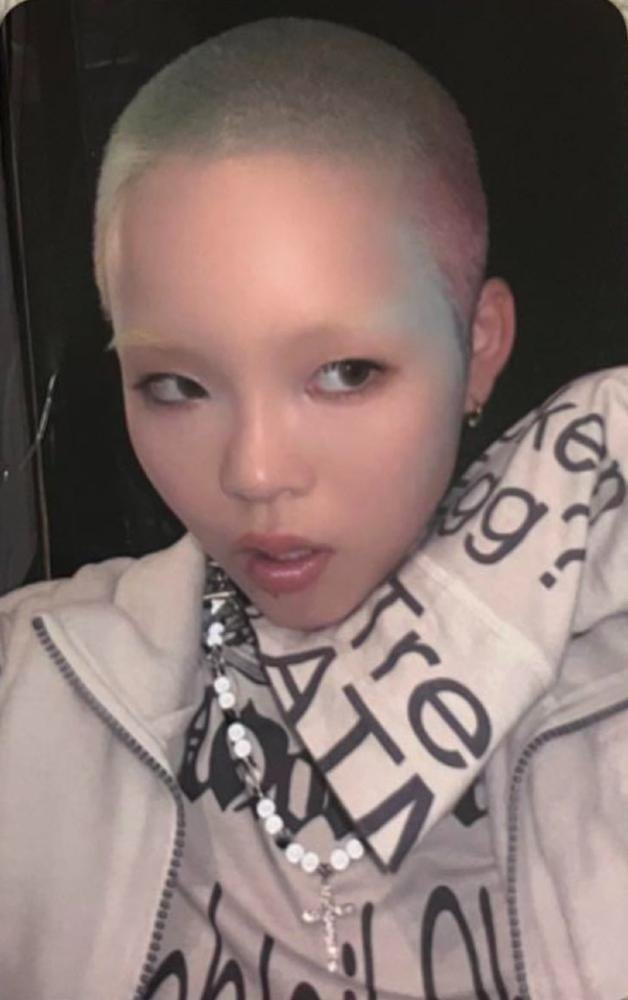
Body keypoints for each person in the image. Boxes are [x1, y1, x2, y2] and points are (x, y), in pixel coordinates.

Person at [0, 16, 627, 1000]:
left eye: (344, 372)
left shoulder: (601, 680)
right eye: (175, 386)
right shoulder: (31, 688)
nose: (254, 472)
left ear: (479, 348)